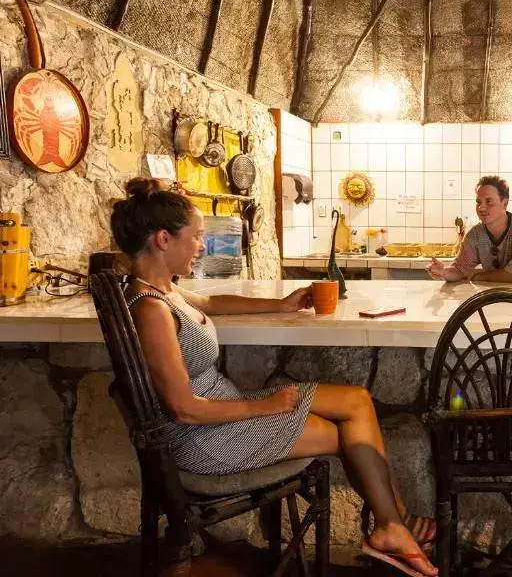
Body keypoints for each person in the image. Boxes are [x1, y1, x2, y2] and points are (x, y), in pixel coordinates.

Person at [110, 179, 436, 577]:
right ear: (163, 239)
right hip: (205, 439)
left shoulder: (165, 291)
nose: (202, 246)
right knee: (348, 436)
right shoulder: (151, 311)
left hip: (224, 414)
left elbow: (212, 302)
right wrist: (266, 405)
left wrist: (280, 304)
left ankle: (393, 524)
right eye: (196, 237)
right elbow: (184, 409)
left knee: (356, 401)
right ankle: (393, 526)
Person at [426, 175, 512, 283]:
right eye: (478, 202)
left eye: (488, 201)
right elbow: (459, 270)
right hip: (506, 293)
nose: (481, 207)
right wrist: (444, 272)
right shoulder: (475, 234)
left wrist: (475, 276)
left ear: (504, 203)